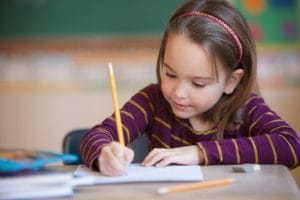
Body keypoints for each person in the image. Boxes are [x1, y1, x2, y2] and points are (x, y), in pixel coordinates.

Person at [80, 0, 300, 176]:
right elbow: (98, 135)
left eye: (198, 83)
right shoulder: (152, 99)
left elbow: (292, 146)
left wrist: (200, 153)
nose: (178, 92)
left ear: (231, 81)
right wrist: (103, 154)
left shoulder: (246, 109)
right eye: (170, 74)